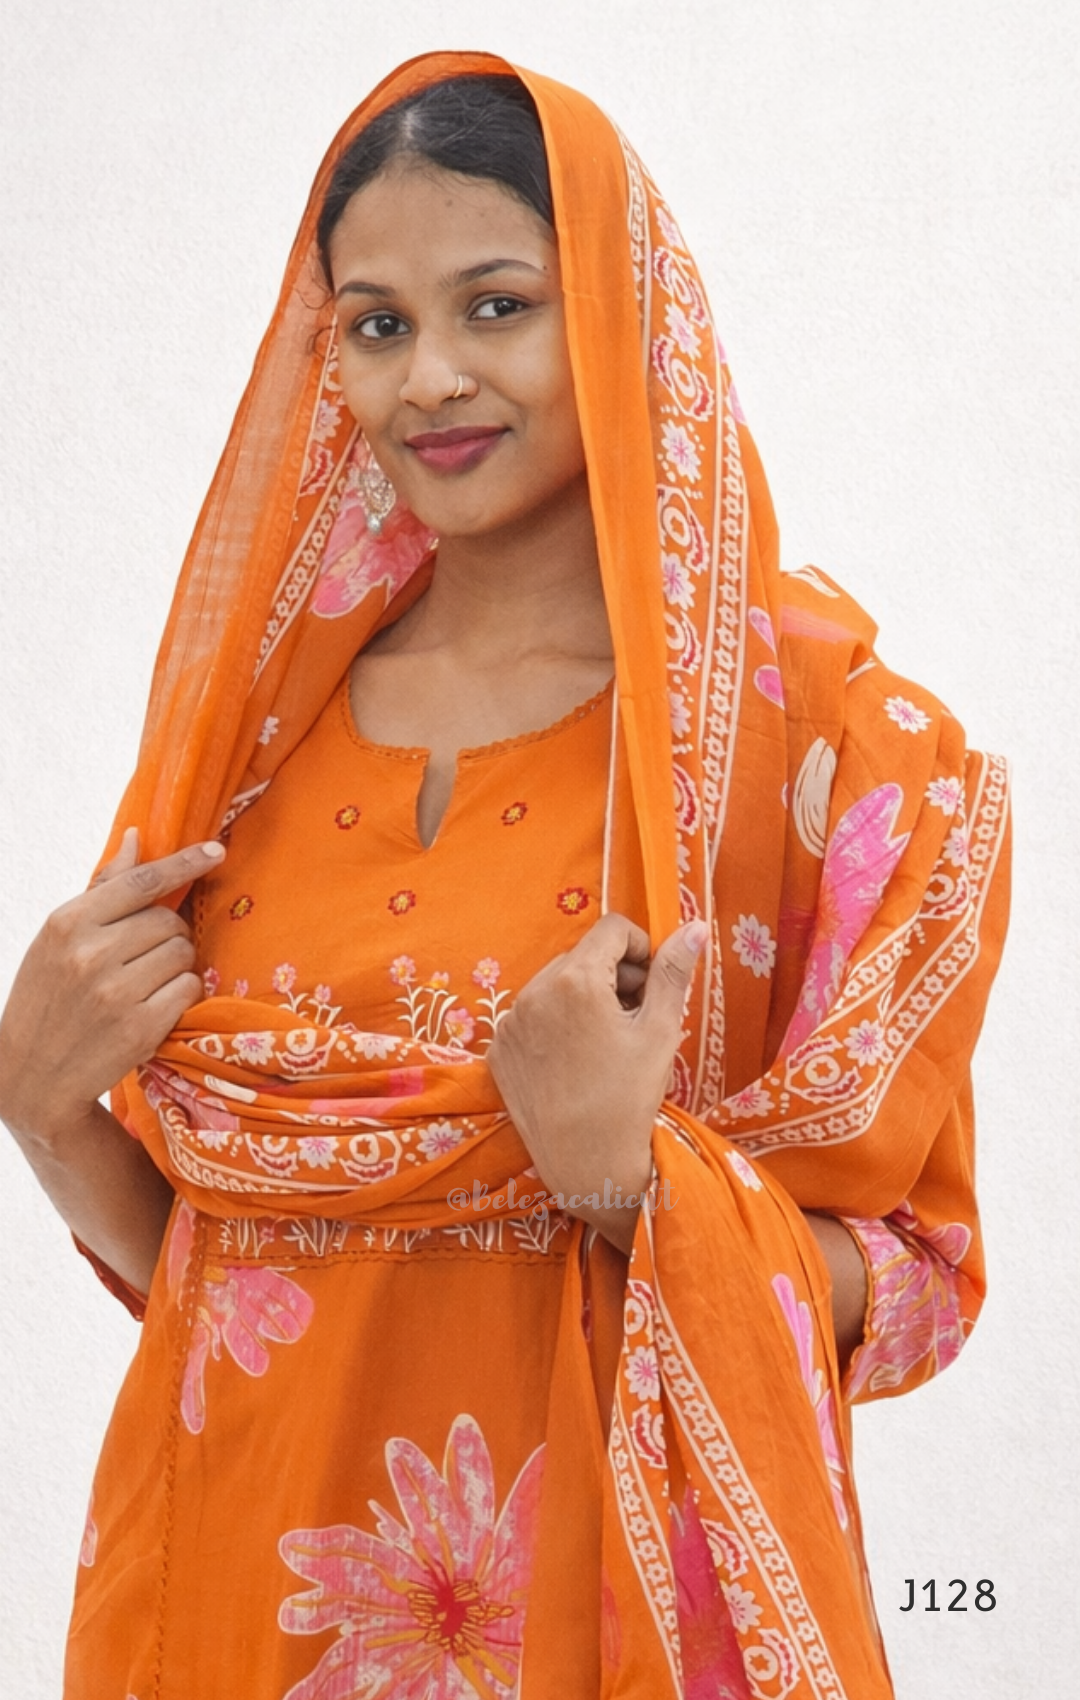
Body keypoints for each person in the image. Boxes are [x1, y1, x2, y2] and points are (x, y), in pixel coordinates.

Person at [0, 50, 1010, 1700]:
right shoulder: (253, 743)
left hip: (587, 1618)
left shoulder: (828, 753)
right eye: (377, 325)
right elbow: (226, 1272)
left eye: (496, 305)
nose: (429, 381)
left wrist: (632, 1187)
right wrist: (48, 1119)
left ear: (623, 311)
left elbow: (914, 1292)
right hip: (225, 1590)